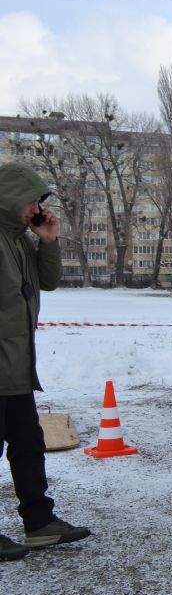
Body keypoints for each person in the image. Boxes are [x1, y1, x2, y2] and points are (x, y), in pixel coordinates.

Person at [0, 163, 91, 561]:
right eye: (32, 200)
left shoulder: (19, 240)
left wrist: (48, 241)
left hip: (17, 364)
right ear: (10, 197)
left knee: (28, 443)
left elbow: (47, 281)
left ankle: (39, 523)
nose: (37, 207)